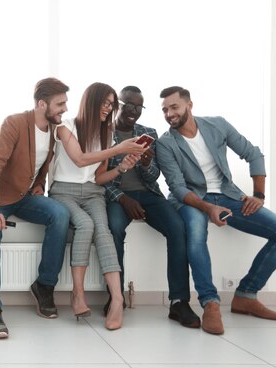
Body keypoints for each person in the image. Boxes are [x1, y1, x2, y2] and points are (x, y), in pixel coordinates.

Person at [157, 86, 276, 335]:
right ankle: (210, 302)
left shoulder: (217, 125)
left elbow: (253, 154)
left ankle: (246, 294)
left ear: (189, 105)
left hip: (228, 195)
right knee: (197, 232)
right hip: (191, 200)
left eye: (174, 107)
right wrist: (208, 208)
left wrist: (258, 195)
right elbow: (177, 187)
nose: (169, 113)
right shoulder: (166, 143)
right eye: (165, 110)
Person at [0, 77, 71, 339]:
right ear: (42, 104)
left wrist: (39, 184)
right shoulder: (14, 123)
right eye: (60, 103)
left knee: (60, 214)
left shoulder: (53, 129)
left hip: (25, 196)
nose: (64, 108)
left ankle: (44, 285)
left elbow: (40, 164)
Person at [49, 82, 146, 330]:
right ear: (91, 101)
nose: (108, 109)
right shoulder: (65, 126)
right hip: (63, 191)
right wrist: (117, 148)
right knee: (85, 224)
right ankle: (77, 293)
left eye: (112, 105)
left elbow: (98, 178)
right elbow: (80, 160)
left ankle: (117, 299)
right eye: (105, 103)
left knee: (104, 230)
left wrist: (121, 166)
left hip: (93, 193)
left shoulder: (105, 135)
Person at [103, 86, 200, 329]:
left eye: (138, 107)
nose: (133, 111)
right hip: (117, 196)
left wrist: (147, 163)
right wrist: (123, 199)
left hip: (148, 195)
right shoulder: (103, 133)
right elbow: (97, 177)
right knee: (114, 229)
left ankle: (179, 301)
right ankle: (116, 297)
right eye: (128, 105)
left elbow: (154, 176)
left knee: (177, 228)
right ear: (118, 105)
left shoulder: (148, 132)